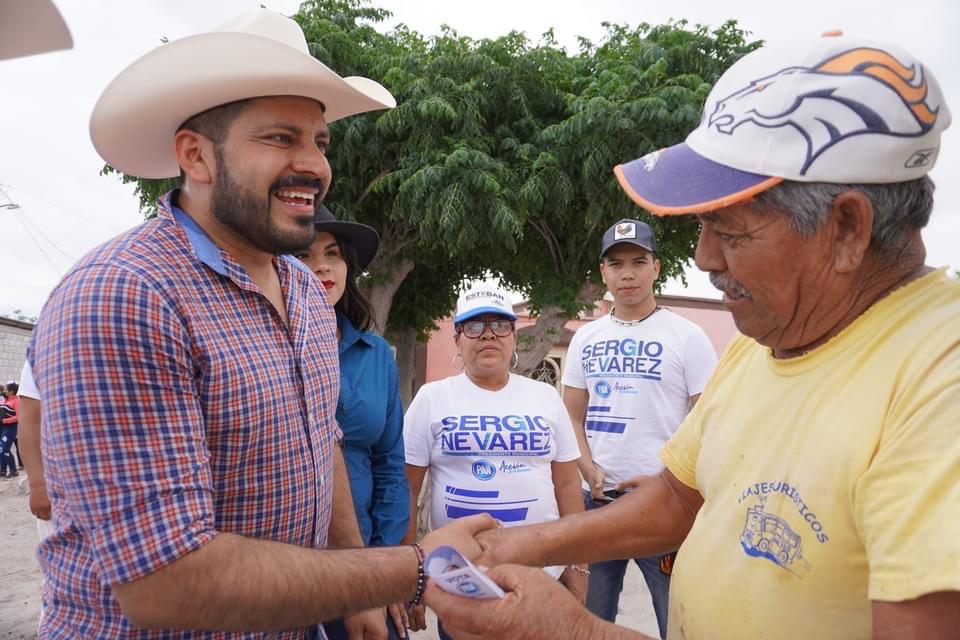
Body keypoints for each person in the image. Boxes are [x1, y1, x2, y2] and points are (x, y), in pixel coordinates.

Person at [426, 32, 960, 640]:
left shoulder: (940, 384)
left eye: (730, 230)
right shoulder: (766, 342)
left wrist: (575, 632)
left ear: (846, 229)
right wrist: (512, 545)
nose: (705, 258)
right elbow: (680, 499)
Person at [27, 9, 494, 638]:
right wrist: (405, 570)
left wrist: (350, 582)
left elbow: (318, 441)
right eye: (280, 138)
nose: (315, 166)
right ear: (196, 156)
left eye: (319, 142)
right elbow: (167, 582)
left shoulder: (301, 288)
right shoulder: (125, 296)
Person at [403, 285, 586, 639]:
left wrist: (578, 566)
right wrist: (414, 577)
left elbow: (566, 484)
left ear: (514, 338)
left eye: (500, 325)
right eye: (474, 326)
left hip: (542, 571)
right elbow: (407, 489)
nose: (488, 334)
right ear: (458, 339)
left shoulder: (546, 397)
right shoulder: (431, 398)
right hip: (461, 577)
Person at [562, 218, 717, 637]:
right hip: (598, 504)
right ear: (603, 273)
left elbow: (709, 421)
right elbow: (571, 417)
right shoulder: (585, 338)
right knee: (589, 622)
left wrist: (669, 479)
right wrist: (587, 468)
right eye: (616, 264)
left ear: (656, 267)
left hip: (665, 504)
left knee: (679, 620)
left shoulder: (687, 337)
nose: (626, 273)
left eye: (637, 261)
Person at [295, 204, 410, 640]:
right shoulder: (256, 346)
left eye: (333, 253)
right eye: (304, 255)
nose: (322, 267)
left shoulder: (376, 354)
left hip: (362, 557)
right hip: (278, 564)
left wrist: (383, 568)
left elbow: (390, 463)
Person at [0, 381, 20, 478]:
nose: (4, 390)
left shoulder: (17, 401)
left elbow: (19, 417)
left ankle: (13, 471)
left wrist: (5, 421)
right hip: (2, 428)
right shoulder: (4, 401)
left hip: (10, 428)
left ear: (11, 391)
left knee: (4, 449)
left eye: (6, 389)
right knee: (1, 449)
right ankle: (2, 470)